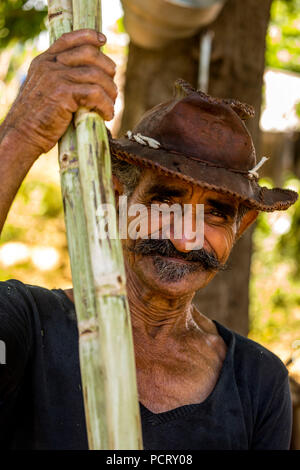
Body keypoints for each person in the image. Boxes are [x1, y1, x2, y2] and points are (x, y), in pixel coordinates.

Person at [0, 29, 298, 450]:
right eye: (164, 201)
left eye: (216, 212)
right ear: (118, 199)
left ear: (241, 227)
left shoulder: (258, 381)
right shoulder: (28, 327)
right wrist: (22, 134)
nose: (184, 240)